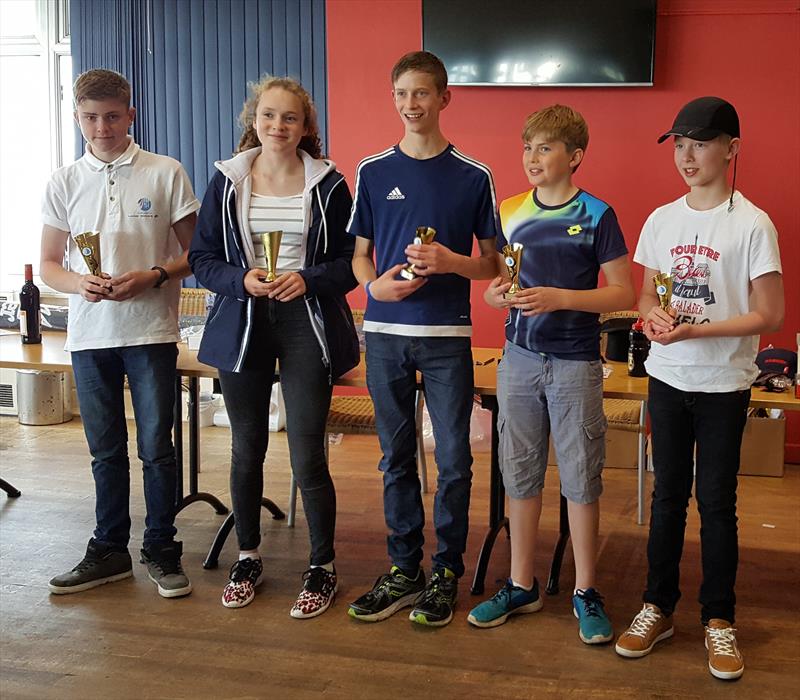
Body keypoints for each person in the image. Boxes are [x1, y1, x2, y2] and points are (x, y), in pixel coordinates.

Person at [615, 97, 783, 680]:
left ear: (731, 149)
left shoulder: (753, 223)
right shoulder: (662, 219)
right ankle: (657, 606)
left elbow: (770, 313)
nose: (687, 156)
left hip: (723, 384)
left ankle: (719, 619)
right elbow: (645, 297)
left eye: (701, 143)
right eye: (679, 144)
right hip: (667, 377)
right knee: (665, 499)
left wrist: (700, 329)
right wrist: (655, 320)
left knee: (716, 503)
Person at [189, 75, 358, 618]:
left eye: (289, 118)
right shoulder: (228, 181)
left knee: (307, 450)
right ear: (253, 121)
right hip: (244, 321)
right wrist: (242, 281)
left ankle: (322, 566)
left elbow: (348, 266)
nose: (277, 126)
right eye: (268, 116)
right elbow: (203, 259)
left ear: (306, 126)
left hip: (306, 321)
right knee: (247, 446)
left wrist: (307, 278)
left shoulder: (330, 185)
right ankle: (248, 555)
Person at [468, 105, 635, 644]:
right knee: (519, 473)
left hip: (576, 364)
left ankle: (586, 589)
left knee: (582, 476)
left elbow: (623, 293)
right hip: (517, 361)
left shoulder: (597, 214)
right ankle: (522, 584)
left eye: (545, 148)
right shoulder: (510, 209)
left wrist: (562, 298)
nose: (532, 158)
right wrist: (496, 295)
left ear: (575, 156)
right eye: (527, 148)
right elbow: (500, 282)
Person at [346, 51, 500, 627]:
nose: (411, 105)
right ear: (395, 100)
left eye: (422, 94)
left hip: (446, 339)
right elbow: (360, 257)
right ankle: (404, 568)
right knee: (395, 459)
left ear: (443, 98)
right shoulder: (372, 171)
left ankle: (447, 571)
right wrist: (374, 290)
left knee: (455, 459)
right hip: (383, 335)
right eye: (401, 95)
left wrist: (449, 260)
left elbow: (491, 267)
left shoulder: (474, 175)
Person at [42, 69, 199, 598]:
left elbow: (194, 256)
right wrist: (77, 282)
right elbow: (48, 265)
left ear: (130, 115)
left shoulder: (165, 171)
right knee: (104, 451)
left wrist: (152, 276)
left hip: (150, 331)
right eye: (90, 118)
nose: (101, 127)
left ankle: (161, 548)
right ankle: (110, 550)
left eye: (112, 116)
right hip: (89, 337)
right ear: (77, 119)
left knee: (157, 448)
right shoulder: (63, 181)